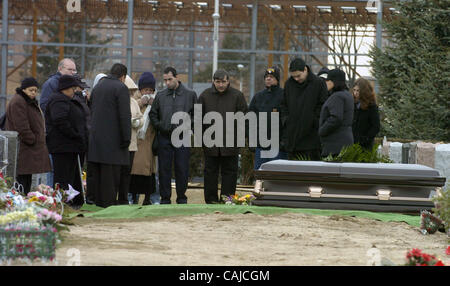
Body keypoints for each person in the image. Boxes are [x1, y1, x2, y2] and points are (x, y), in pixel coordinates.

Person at [197, 69, 248, 204]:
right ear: (213, 81)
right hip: (210, 143)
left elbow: (244, 120)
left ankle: (228, 200)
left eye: (223, 82)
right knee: (210, 173)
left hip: (230, 143)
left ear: (228, 81)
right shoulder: (204, 96)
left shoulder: (237, 96)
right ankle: (211, 200)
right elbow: (197, 120)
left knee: (230, 173)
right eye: (218, 82)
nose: (220, 85)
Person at [149, 67, 197, 204]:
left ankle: (182, 197)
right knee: (164, 169)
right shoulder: (161, 95)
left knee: (182, 168)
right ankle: (165, 198)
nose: (167, 83)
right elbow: (153, 114)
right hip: (164, 137)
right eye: (165, 80)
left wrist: (186, 127)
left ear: (177, 77)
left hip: (182, 137)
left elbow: (197, 115)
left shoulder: (190, 95)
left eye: (170, 79)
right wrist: (161, 126)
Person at [87, 63, 131, 208]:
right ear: (123, 76)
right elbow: (124, 116)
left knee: (99, 177)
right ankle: (109, 204)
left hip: (96, 141)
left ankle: (99, 203)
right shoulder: (121, 88)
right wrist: (126, 138)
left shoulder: (98, 87)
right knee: (111, 179)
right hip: (114, 143)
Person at [45, 75, 88, 208]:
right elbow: (60, 120)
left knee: (69, 177)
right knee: (63, 177)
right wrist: (75, 135)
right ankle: (62, 203)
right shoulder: (58, 100)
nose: (74, 91)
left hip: (69, 146)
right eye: (72, 88)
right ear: (65, 88)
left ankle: (69, 201)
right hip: (62, 146)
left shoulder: (64, 99)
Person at [5, 77, 51, 194]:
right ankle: (20, 204)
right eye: (31, 90)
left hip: (27, 149)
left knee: (26, 179)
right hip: (24, 148)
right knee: (21, 181)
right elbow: (21, 126)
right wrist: (32, 139)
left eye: (35, 90)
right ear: (23, 89)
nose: (34, 93)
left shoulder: (25, 101)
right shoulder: (19, 101)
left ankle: (24, 202)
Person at [280, 58, 328, 161]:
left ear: (305, 70)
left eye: (298, 76)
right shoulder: (289, 84)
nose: (296, 79)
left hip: (312, 140)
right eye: (294, 76)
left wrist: (313, 120)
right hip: (293, 138)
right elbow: (284, 105)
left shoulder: (318, 83)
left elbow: (323, 106)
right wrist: (286, 120)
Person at [40, 58, 77, 189]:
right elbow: (44, 105)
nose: (72, 72)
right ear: (60, 69)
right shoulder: (51, 84)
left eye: (74, 70)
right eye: (69, 69)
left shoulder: (73, 85)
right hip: (55, 134)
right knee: (54, 169)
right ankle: (52, 196)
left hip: (65, 138)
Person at [248, 67, 287, 170]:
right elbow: (250, 119)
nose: (268, 79)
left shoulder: (284, 96)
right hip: (261, 146)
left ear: (277, 79)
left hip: (278, 147)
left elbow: (288, 121)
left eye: (272, 77)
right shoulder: (258, 97)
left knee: (277, 175)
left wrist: (284, 141)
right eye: (267, 77)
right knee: (260, 174)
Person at [129, 72, 158, 205]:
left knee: (149, 174)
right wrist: (141, 102)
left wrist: (154, 105)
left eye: (151, 90)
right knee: (133, 173)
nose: (148, 92)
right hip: (136, 142)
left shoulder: (156, 100)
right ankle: (132, 197)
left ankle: (148, 198)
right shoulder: (134, 100)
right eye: (146, 89)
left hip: (149, 143)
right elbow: (130, 114)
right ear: (140, 89)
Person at [319, 69, 354, 157]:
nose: (326, 83)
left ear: (334, 81)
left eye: (328, 80)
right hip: (345, 142)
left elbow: (336, 118)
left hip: (335, 145)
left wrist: (322, 131)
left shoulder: (337, 96)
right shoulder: (347, 95)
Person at [120, 75, 143, 205]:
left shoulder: (134, 102)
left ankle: (124, 197)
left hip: (132, 143)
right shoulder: (118, 101)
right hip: (120, 144)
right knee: (119, 172)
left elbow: (141, 118)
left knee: (127, 173)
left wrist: (137, 122)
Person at [351, 78, 380, 150]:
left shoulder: (371, 107)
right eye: (354, 90)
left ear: (364, 91)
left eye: (358, 90)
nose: (355, 93)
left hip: (365, 146)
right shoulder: (352, 104)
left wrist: (366, 139)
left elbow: (376, 126)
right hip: (351, 143)